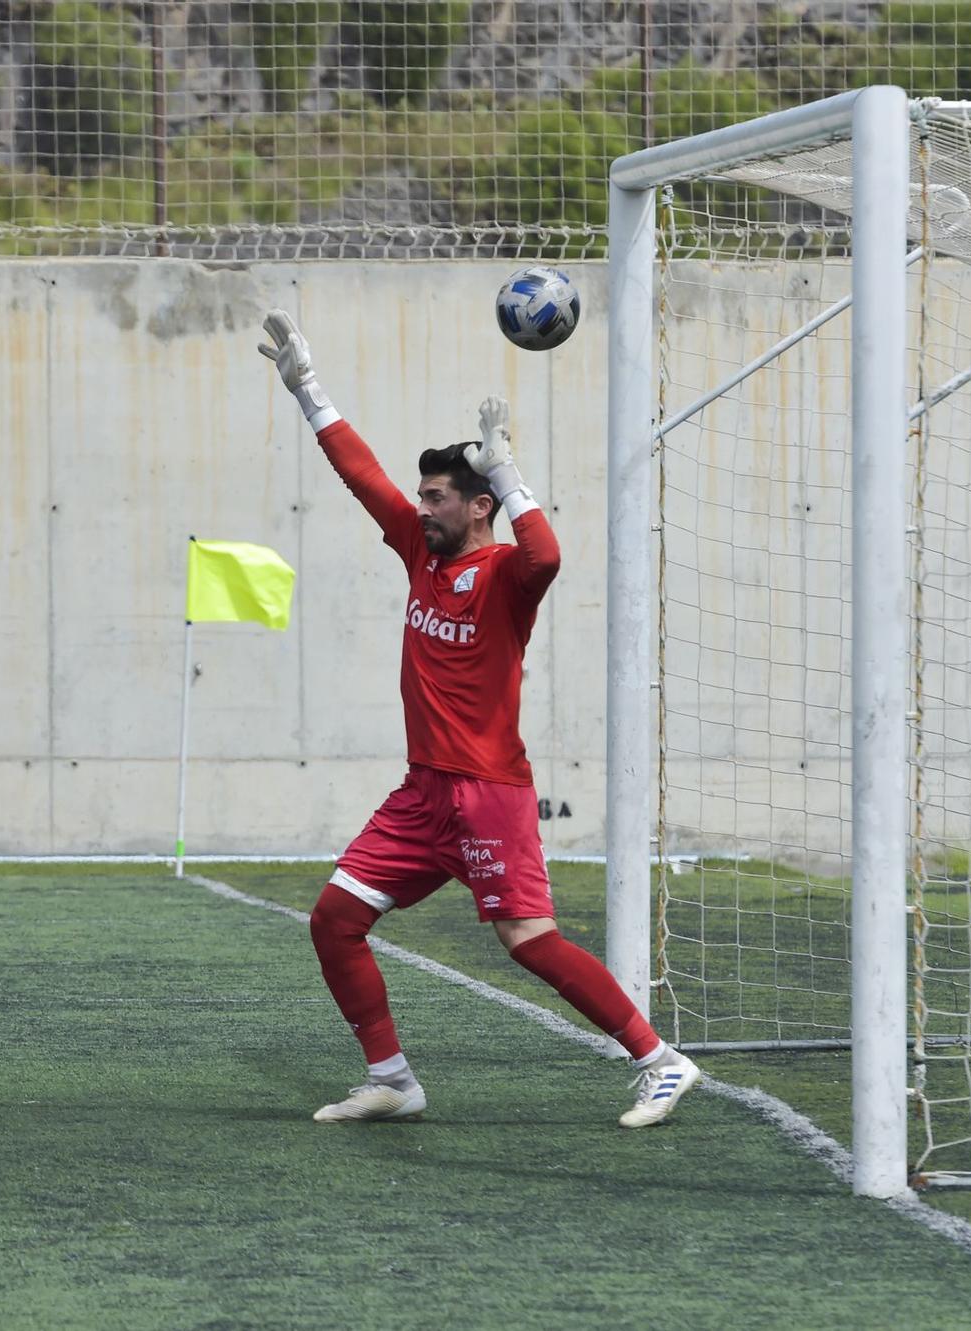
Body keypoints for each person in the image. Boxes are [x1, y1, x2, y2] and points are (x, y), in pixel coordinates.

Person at [257, 310, 702, 1129]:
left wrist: (510, 469)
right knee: (336, 919)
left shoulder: (505, 574)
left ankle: (660, 1061)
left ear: (478, 507)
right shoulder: (420, 550)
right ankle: (391, 1077)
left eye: (437, 496)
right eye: (423, 495)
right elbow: (364, 479)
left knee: (530, 941)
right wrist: (309, 393)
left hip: (488, 794)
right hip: (422, 794)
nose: (421, 506)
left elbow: (550, 556)